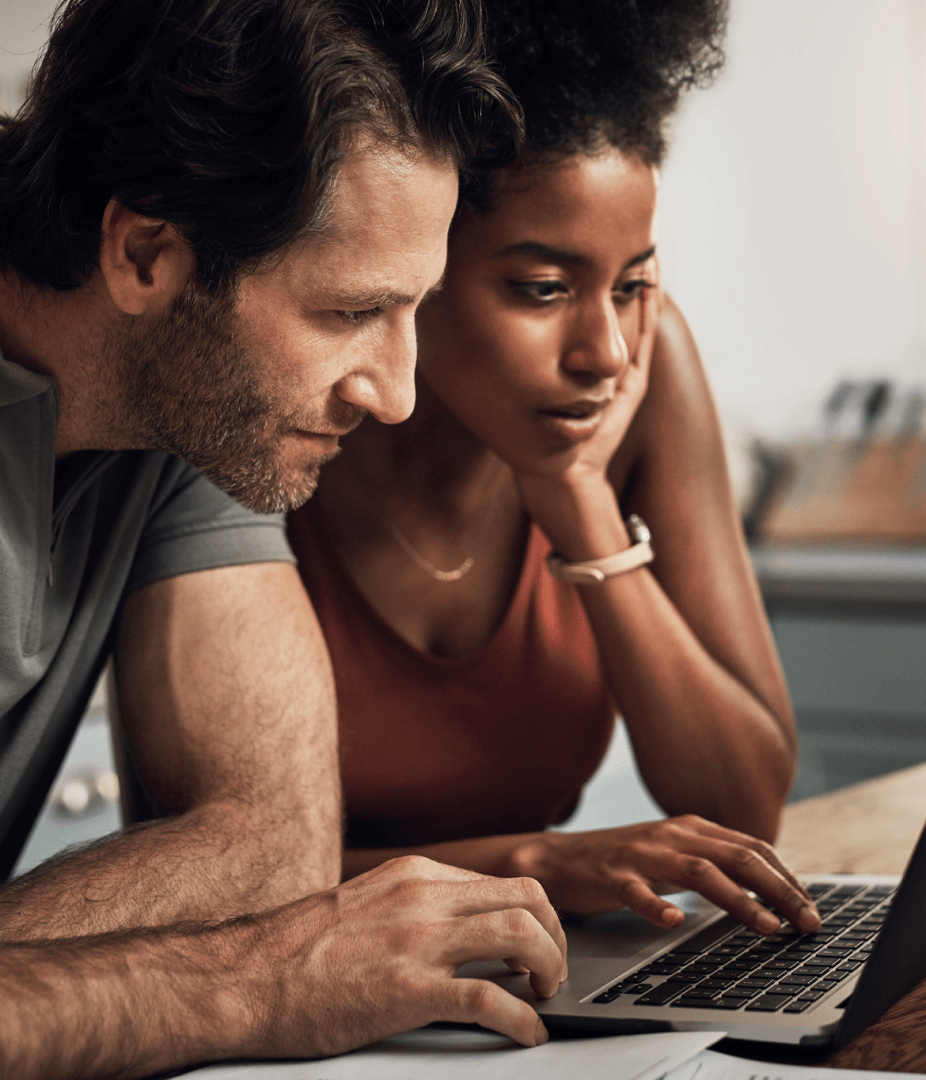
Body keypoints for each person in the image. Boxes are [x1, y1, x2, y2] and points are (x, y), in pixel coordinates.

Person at [0, 1, 582, 1075]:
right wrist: (246, 984)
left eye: (411, 309)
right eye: (347, 312)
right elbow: (259, 944)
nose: (399, 392)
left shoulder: (187, 407)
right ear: (145, 254)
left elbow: (270, 850)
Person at [289, 0, 819, 931]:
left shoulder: (643, 374)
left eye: (634, 284)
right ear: (414, 263)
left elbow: (746, 812)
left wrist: (579, 505)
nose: (607, 351)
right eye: (542, 289)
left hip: (538, 979)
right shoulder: (282, 415)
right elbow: (205, 875)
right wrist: (527, 865)